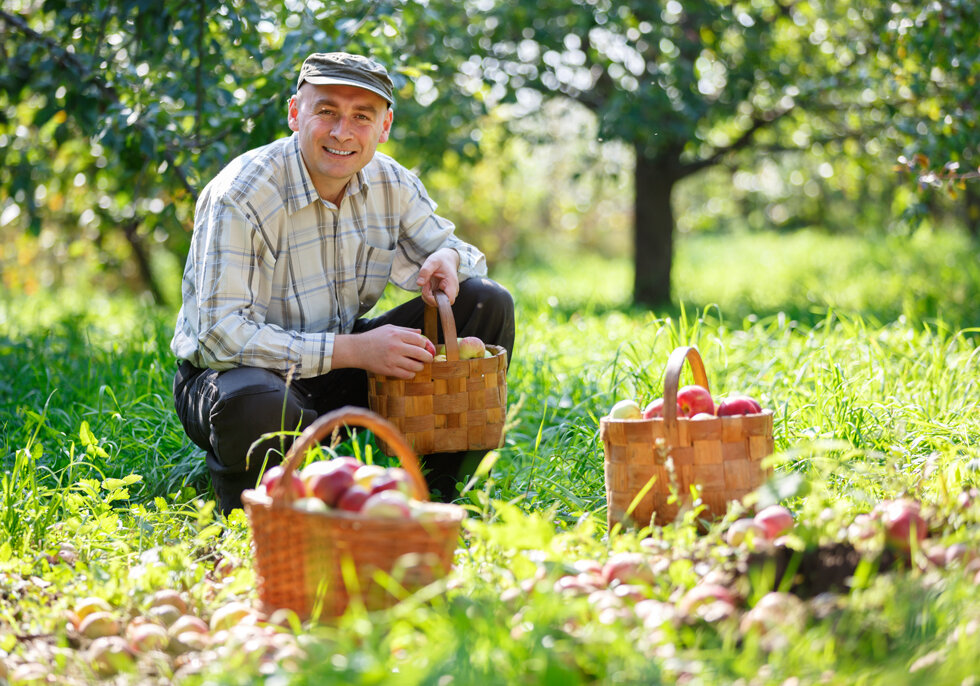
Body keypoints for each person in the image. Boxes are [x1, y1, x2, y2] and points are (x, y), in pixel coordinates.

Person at [170, 52, 515, 514]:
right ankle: (261, 509)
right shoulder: (242, 194)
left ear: (384, 125)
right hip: (244, 377)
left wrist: (447, 258)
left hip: (344, 368)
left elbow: (459, 253)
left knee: (483, 301)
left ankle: (437, 489)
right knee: (256, 400)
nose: (341, 132)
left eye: (361, 116)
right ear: (296, 113)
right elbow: (218, 338)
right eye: (327, 111)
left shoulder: (390, 182)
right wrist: (356, 351)